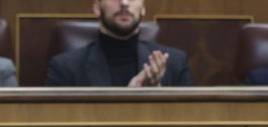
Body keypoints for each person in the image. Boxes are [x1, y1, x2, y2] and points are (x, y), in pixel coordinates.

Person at [46, 0, 193, 87]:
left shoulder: (175, 63)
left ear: (143, 8)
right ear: (97, 7)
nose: (124, 3)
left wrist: (155, 93)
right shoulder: (65, 68)